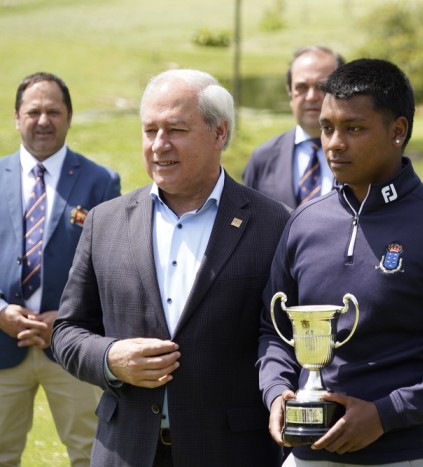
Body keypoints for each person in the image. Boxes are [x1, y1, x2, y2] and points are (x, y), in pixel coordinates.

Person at [258, 58, 423, 466]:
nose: (334, 143)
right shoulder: (304, 222)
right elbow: (273, 333)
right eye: (327, 128)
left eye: (353, 128)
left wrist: (386, 414)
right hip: (307, 455)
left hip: (409, 456)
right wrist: (276, 393)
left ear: (398, 131)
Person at [52, 69, 290, 467]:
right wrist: (110, 358)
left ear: (219, 134)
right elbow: (67, 331)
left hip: (231, 452)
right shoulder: (104, 221)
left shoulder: (273, 223)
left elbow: (281, 336)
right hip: (125, 451)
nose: (159, 145)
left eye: (176, 129)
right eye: (150, 131)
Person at [0, 72, 120, 466]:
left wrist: (67, 319)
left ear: (69, 117)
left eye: (54, 111)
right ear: (17, 117)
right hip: (2, 345)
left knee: (90, 453)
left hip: (70, 345)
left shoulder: (100, 182)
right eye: (33, 111)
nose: (43, 120)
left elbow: (110, 266)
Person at [243, 46, 345, 208]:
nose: (311, 97)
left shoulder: (362, 155)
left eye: (322, 87)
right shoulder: (263, 159)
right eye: (301, 88)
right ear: (290, 92)